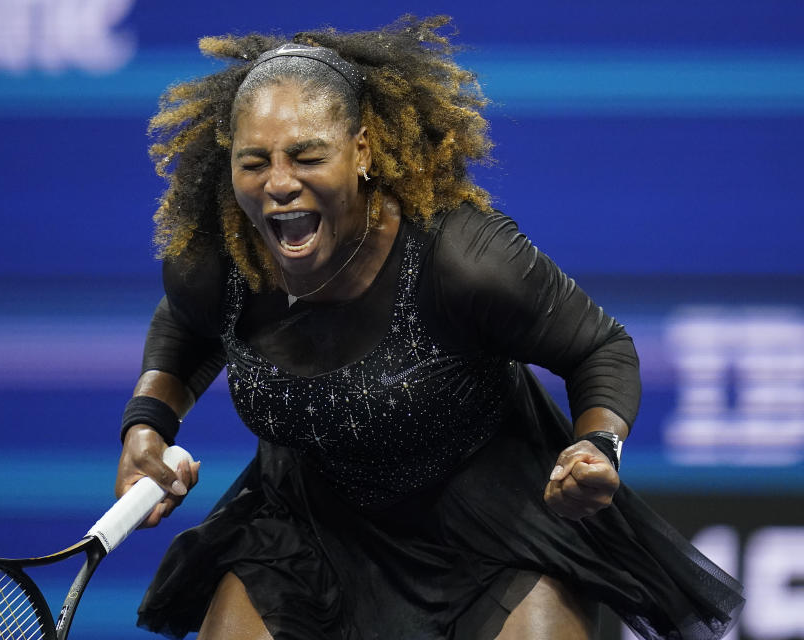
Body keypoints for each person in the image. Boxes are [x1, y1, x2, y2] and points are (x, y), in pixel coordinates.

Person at [113, 16, 743, 640]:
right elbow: (189, 328)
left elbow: (601, 349)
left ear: (361, 150)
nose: (278, 183)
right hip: (302, 533)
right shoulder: (216, 261)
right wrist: (148, 423)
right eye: (254, 162)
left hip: (496, 532)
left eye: (308, 155)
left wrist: (596, 446)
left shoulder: (468, 263)